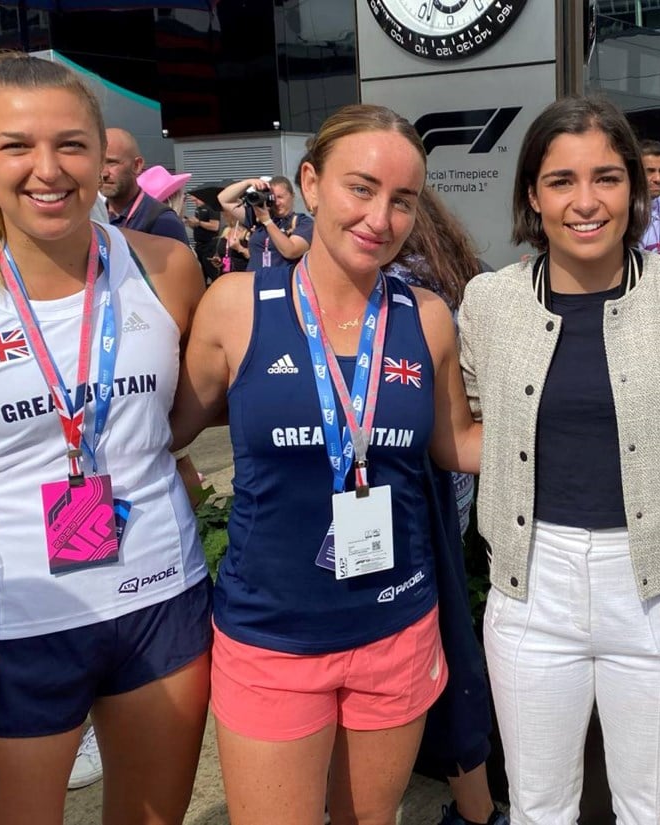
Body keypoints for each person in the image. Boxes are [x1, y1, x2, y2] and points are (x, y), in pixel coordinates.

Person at [0, 53, 212, 824]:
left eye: (70, 144)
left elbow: (179, 425)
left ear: (103, 156)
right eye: (18, 146)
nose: (47, 169)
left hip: (162, 598)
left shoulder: (167, 267)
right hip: (10, 625)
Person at [170, 103, 481, 825]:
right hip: (273, 635)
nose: (382, 216)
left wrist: (573, 418)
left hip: (396, 626)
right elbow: (167, 431)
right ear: (310, 183)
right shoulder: (235, 306)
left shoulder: (427, 315)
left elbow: (456, 443)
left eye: (403, 199)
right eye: (361, 188)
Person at [457, 96, 660, 824]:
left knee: (653, 807)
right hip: (529, 585)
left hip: (654, 590)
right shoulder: (489, 303)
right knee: (540, 805)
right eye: (561, 181)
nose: (586, 201)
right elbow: (477, 425)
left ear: (636, 191)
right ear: (531, 196)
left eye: (608, 178)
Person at [384, 187, 507, 825]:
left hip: (407, 492)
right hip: (448, 491)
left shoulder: (400, 294)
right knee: (447, 638)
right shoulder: (463, 277)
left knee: (421, 645)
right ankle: (477, 809)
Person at [100, 127, 190, 246]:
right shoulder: (93, 217)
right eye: (98, 163)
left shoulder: (163, 222)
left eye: (112, 162)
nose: (104, 173)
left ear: (137, 165)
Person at [217, 174, 313, 272]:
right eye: (273, 198)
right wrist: (248, 182)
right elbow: (224, 200)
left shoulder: (303, 222)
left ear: (292, 196)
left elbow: (291, 251)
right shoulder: (258, 218)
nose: (277, 202)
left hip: (281, 283)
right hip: (254, 281)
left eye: (280, 197)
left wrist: (267, 222)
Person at [185, 194, 222, 283]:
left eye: (196, 200)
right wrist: (190, 223)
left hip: (209, 245)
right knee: (201, 272)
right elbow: (197, 225)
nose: (194, 202)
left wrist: (198, 223)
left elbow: (215, 226)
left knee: (211, 270)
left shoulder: (211, 208)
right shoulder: (198, 209)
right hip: (199, 245)